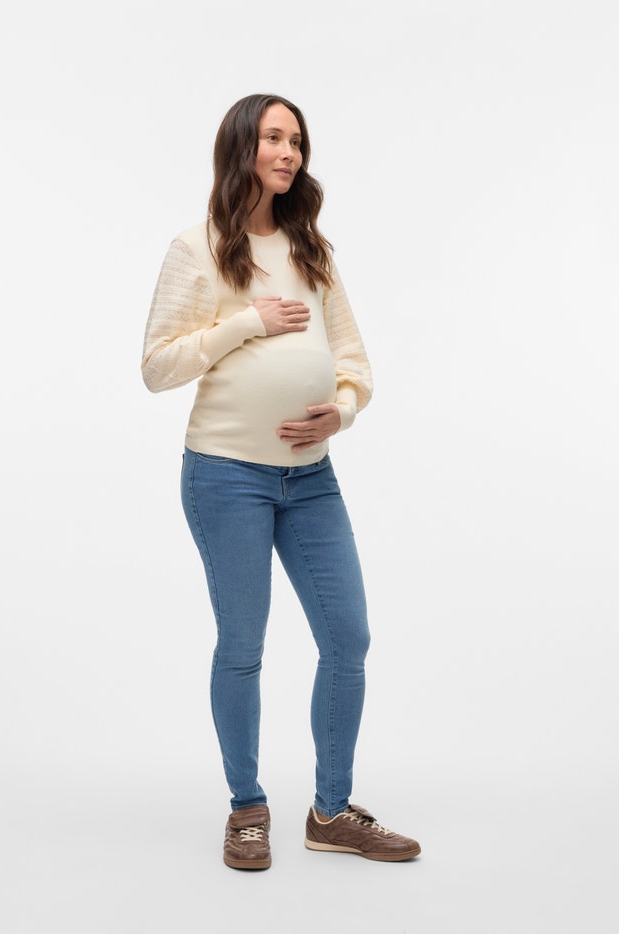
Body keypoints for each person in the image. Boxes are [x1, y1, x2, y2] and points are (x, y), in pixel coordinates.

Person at [141, 93, 420, 869]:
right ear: (242, 147)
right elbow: (157, 366)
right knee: (243, 643)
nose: (289, 152)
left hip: (312, 480)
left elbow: (354, 360)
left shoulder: (311, 250)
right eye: (273, 137)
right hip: (226, 475)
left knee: (348, 637)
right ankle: (246, 807)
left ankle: (331, 812)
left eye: (297, 140)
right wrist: (247, 324)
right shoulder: (196, 248)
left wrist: (342, 410)